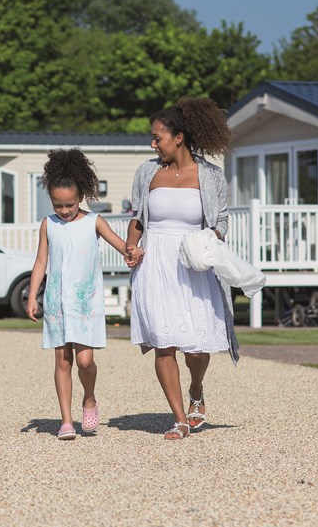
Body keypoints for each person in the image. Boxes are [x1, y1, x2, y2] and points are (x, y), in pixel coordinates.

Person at [125, 97, 238, 440]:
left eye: (157, 137)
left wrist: (209, 241)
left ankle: (197, 391)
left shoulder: (211, 175)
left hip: (193, 264)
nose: (152, 143)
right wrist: (132, 247)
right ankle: (178, 419)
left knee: (197, 347)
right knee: (164, 342)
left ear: (179, 137)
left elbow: (220, 221)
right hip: (155, 262)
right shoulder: (147, 171)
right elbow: (138, 219)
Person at [26, 150, 132, 440]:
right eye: (57, 204)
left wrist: (132, 251)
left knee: (85, 361)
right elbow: (40, 263)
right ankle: (66, 420)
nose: (63, 210)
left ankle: (89, 398)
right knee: (63, 360)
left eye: (69, 204)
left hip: (86, 303)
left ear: (81, 195)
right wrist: (33, 296)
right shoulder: (49, 224)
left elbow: (121, 246)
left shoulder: (94, 222)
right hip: (57, 302)